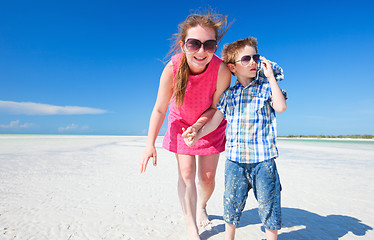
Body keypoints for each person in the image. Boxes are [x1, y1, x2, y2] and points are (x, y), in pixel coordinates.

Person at [183, 37, 287, 240]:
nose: (253, 62)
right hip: (235, 160)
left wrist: (271, 77)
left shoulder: (266, 88)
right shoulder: (229, 95)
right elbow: (214, 122)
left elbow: (281, 107)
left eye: (255, 57)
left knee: (269, 203)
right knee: (232, 202)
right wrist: (197, 134)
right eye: (246, 59)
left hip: (263, 160)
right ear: (232, 67)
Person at [140, 11, 232, 240]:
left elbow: (215, 108)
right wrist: (149, 144)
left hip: (209, 124)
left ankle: (201, 205)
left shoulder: (221, 70)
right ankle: (191, 225)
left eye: (209, 44)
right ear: (183, 45)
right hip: (181, 124)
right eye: (194, 44)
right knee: (187, 173)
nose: (202, 51)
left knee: (207, 177)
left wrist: (200, 127)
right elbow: (160, 108)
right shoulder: (172, 70)